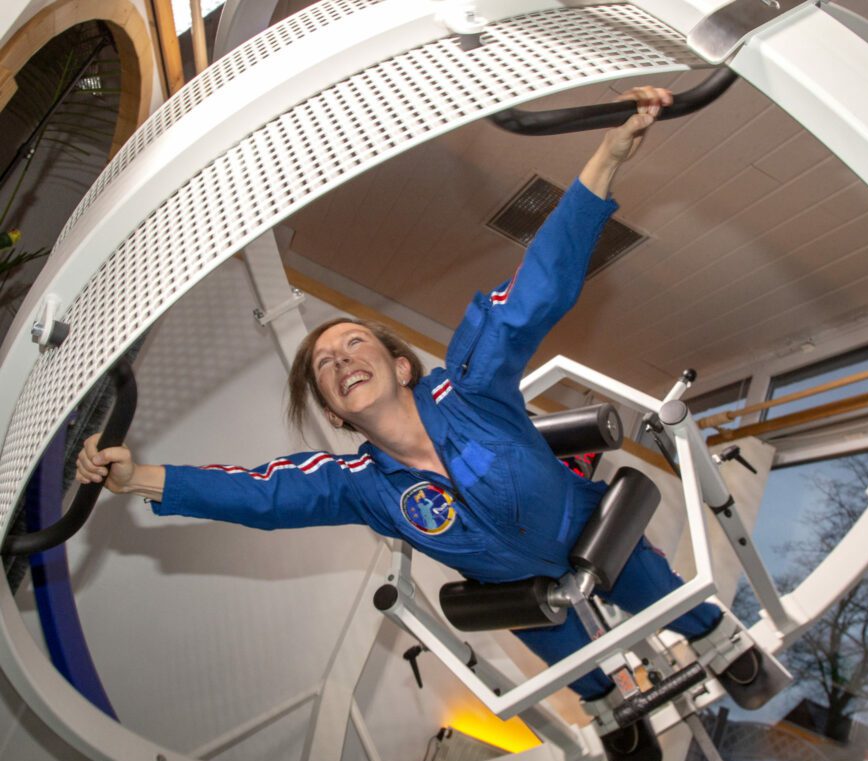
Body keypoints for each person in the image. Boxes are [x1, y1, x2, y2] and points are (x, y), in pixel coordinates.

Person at [76, 86, 723, 703]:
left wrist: (606, 159)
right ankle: (607, 702)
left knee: (674, 604)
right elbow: (261, 494)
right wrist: (137, 479)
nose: (340, 360)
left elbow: (536, 292)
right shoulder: (360, 485)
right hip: (523, 589)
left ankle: (715, 640)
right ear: (333, 409)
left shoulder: (471, 384)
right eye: (325, 364)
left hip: (583, 523)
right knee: (579, 668)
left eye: (354, 344)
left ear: (401, 366)